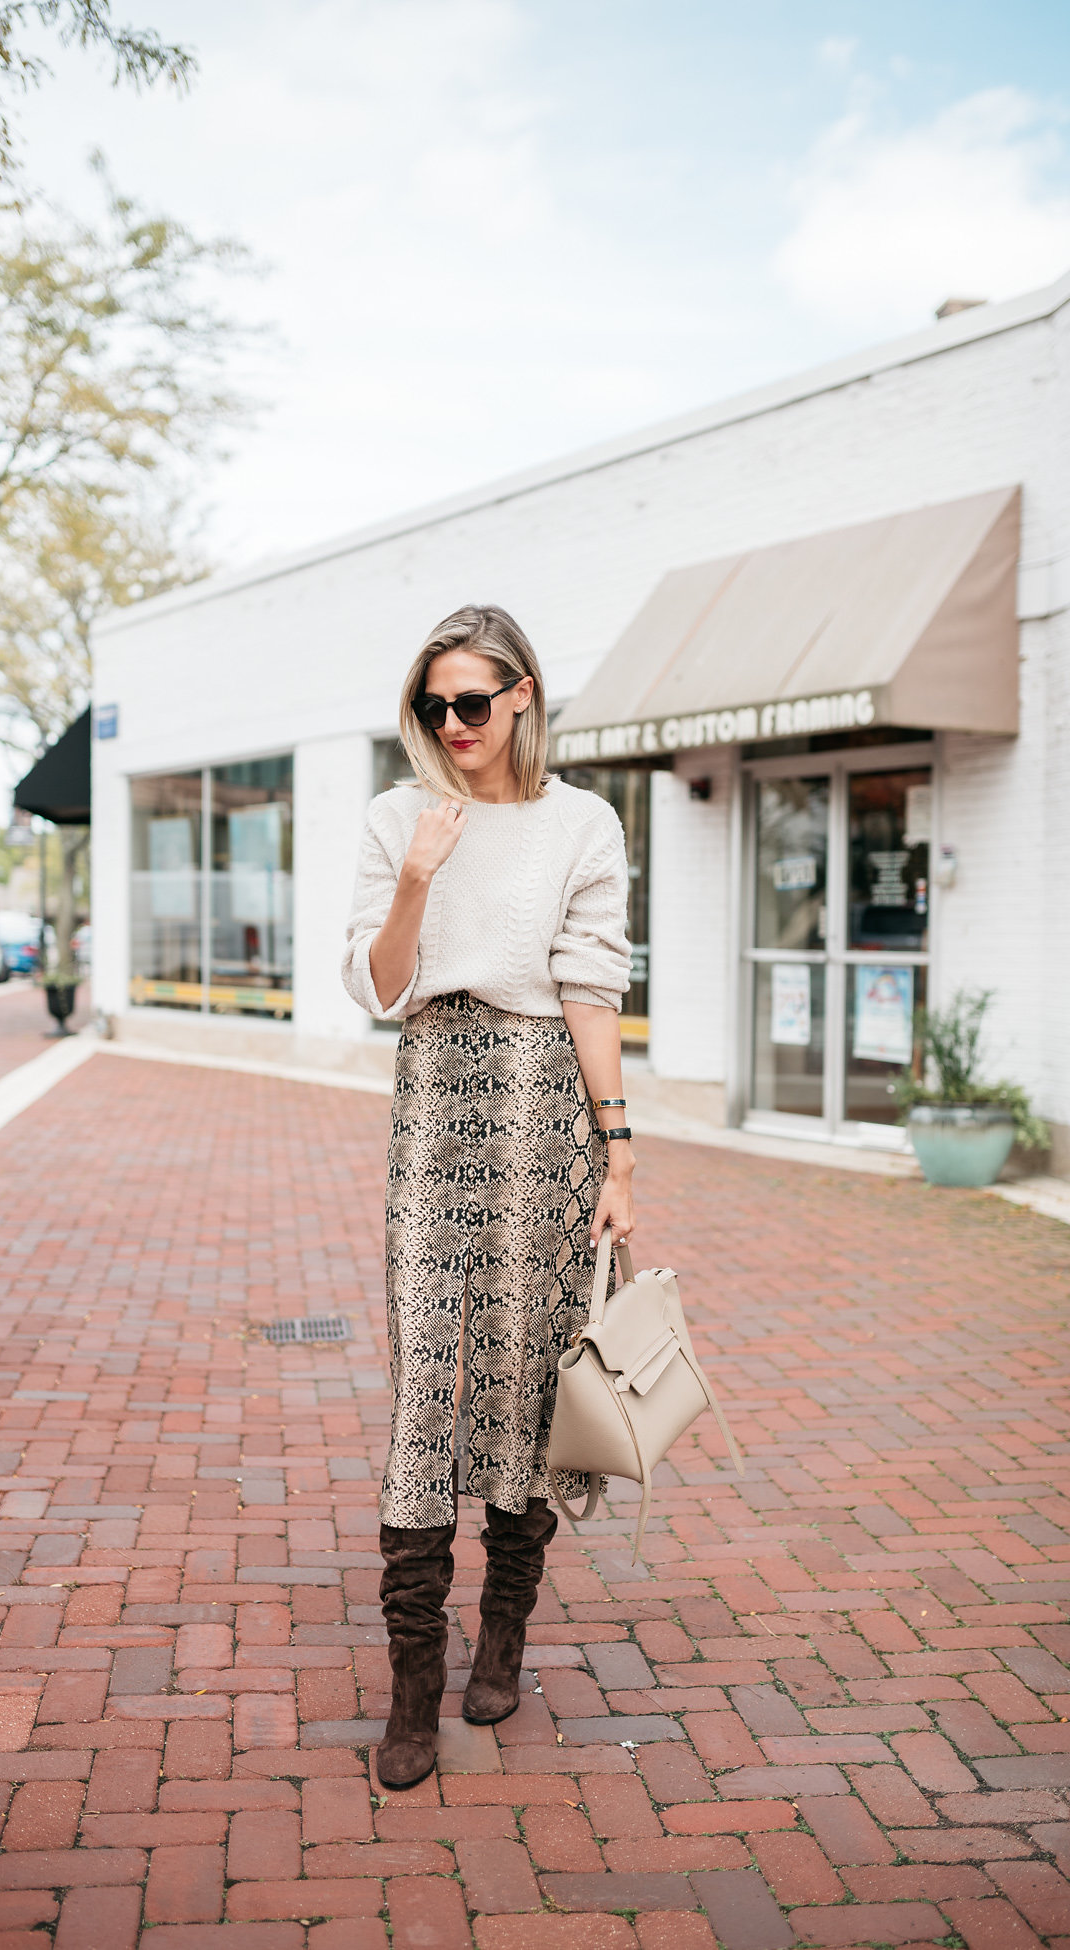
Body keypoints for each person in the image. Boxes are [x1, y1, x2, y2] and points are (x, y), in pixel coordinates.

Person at [342, 604, 635, 1790]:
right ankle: (415, 1676)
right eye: (432, 705)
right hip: (435, 1095)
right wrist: (416, 879)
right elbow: (378, 986)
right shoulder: (396, 818)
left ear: (521, 694)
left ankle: (504, 1626)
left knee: (524, 1370)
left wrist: (619, 1155)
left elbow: (591, 988)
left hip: (546, 1113)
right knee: (426, 1376)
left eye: (471, 701)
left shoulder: (584, 822)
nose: (451, 725)